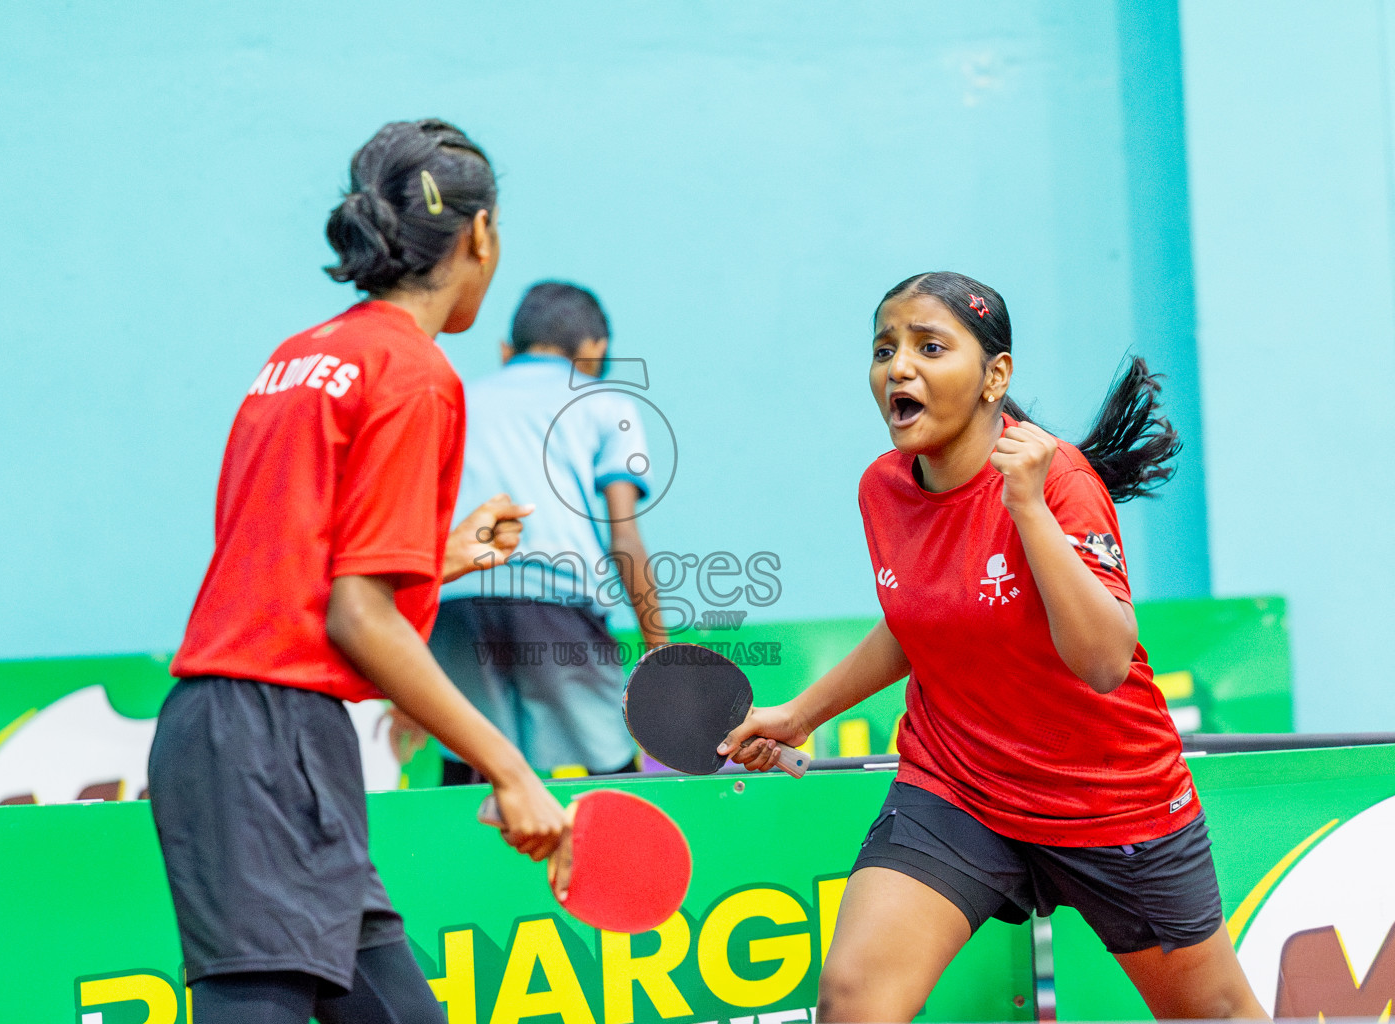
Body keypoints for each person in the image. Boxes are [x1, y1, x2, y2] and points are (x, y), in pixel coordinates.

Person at [722, 271, 1267, 1022]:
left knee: (1215, 1014)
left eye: (929, 346)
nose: (898, 368)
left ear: (994, 376)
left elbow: (1105, 662)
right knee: (853, 998)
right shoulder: (883, 488)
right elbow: (922, 617)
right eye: (885, 349)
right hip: (958, 787)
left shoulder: (1062, 483)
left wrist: (1029, 511)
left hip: (1108, 801)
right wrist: (800, 713)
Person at [147, 120, 567, 1024]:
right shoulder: (416, 374)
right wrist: (507, 766)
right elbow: (357, 618)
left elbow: (293, 560)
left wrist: (435, 556)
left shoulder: (302, 355)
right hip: (269, 738)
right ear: (479, 236)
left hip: (243, 734)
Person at [432, 282, 668, 784]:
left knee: (470, 761)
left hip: (453, 602)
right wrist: (659, 651)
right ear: (596, 351)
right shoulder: (604, 402)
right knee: (610, 765)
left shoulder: (457, 401)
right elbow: (623, 538)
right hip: (553, 601)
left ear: (506, 350)